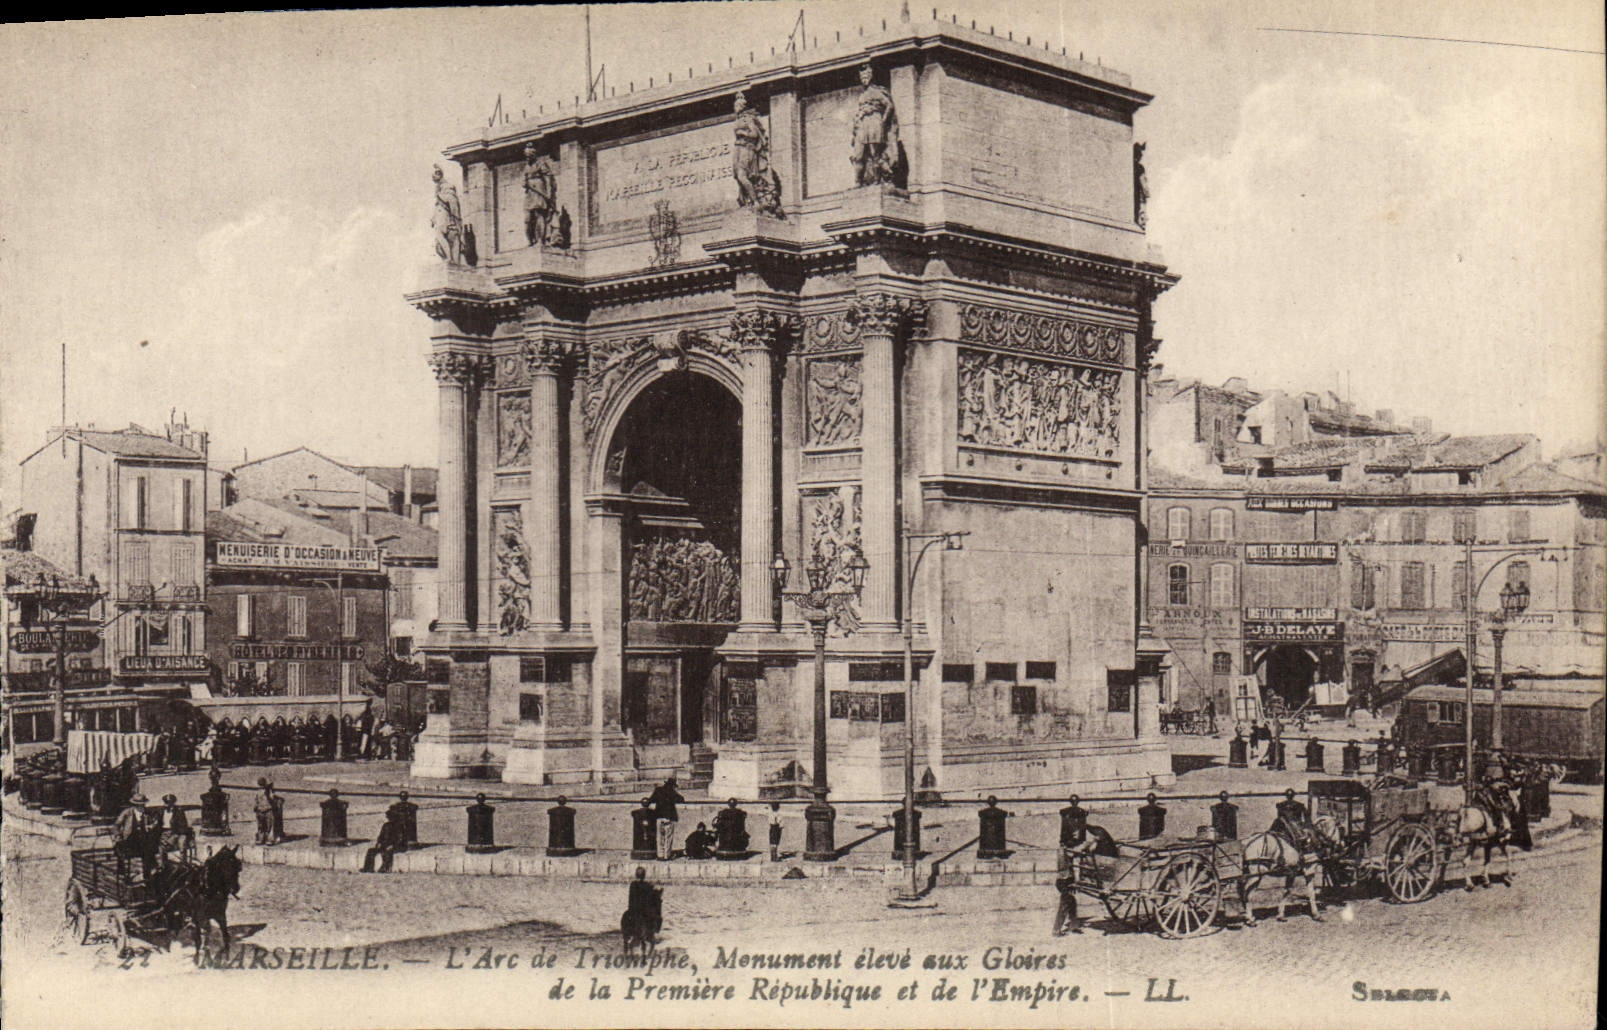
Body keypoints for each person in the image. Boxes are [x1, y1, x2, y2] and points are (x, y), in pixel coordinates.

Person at [850, 63, 900, 186]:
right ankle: (858, 181)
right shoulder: (862, 95)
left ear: (871, 76)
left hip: (874, 122)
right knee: (858, 154)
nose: (864, 79)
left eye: (866, 76)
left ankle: (877, 180)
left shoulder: (876, 91)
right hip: (863, 124)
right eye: (862, 77)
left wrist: (883, 121)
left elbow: (889, 105)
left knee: (874, 154)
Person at [113, 792, 152, 884]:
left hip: (142, 839)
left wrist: (151, 827)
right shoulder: (127, 813)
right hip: (129, 839)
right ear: (134, 805)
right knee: (120, 850)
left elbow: (152, 823)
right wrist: (118, 836)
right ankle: (122, 874)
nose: (140, 806)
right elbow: (116, 825)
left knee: (148, 853)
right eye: (138, 805)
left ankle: (147, 876)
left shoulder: (147, 813)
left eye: (142, 804)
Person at [648, 777, 684, 861]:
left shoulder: (658, 790)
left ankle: (660, 855)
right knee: (668, 837)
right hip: (669, 818)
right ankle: (667, 855)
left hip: (659, 817)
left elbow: (651, 799)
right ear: (673, 786)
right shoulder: (672, 792)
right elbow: (681, 799)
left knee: (660, 837)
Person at [1271, 788, 1318, 853]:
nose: (1289, 797)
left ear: (1293, 796)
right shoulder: (1281, 805)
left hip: (1295, 825)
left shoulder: (1299, 805)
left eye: (1290, 795)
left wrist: (1306, 826)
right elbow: (1279, 817)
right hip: (1284, 824)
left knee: (1302, 836)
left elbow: (1306, 818)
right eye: (1288, 795)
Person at [153, 793, 192, 865]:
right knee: (161, 846)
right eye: (166, 803)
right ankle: (163, 865)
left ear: (173, 804)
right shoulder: (161, 811)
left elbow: (183, 826)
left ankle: (183, 863)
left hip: (178, 833)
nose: (167, 805)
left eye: (169, 803)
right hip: (165, 832)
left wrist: (175, 836)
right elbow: (158, 824)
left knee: (182, 844)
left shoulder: (179, 811)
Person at [627, 866, 663, 941]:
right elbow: (653, 895)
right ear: (644, 875)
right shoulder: (647, 886)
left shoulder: (633, 885)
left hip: (633, 910)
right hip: (644, 911)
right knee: (657, 917)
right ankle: (654, 933)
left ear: (636, 875)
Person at [254, 778, 277, 845]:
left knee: (268, 826)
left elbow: (272, 799)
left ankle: (269, 839)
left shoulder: (269, 791)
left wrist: (269, 792)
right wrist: (256, 807)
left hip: (268, 810)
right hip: (260, 810)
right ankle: (261, 838)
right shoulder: (258, 791)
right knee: (260, 826)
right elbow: (256, 800)